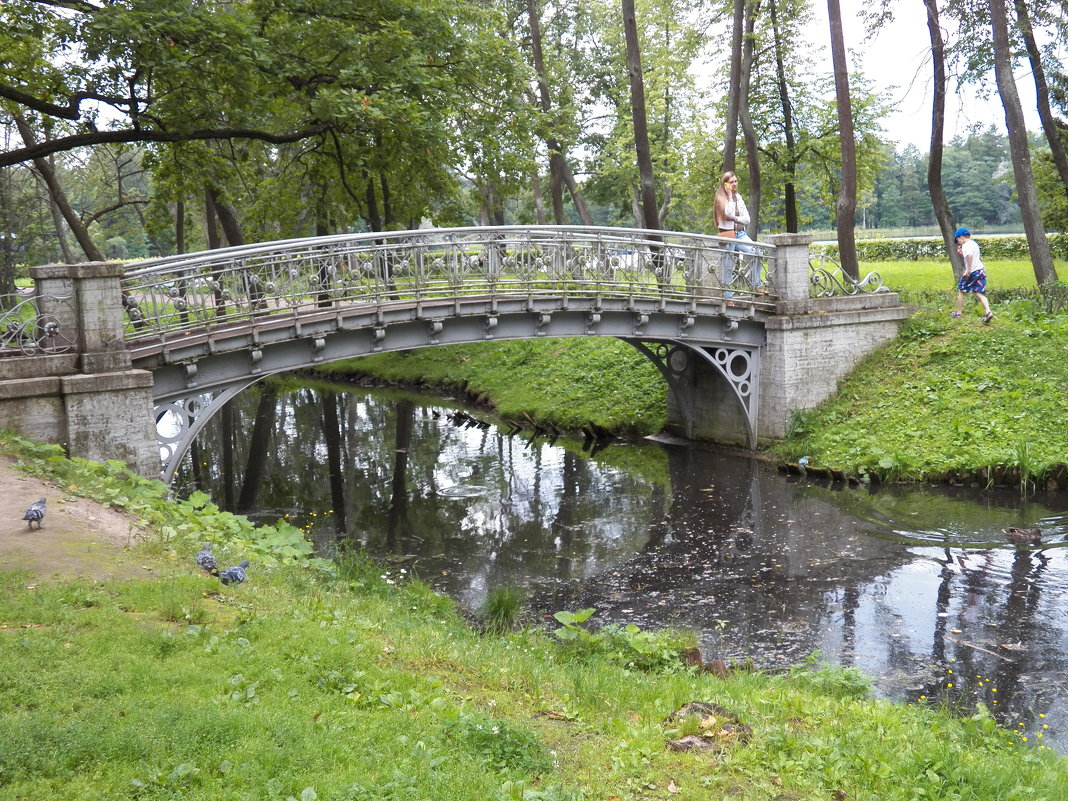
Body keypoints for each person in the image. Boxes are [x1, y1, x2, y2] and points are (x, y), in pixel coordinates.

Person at [713, 171, 762, 298]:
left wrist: (736, 219)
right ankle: (728, 297)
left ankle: (755, 286)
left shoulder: (738, 197)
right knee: (728, 267)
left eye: (735, 181)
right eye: (731, 182)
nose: (734, 184)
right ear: (725, 184)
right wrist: (729, 196)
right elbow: (727, 213)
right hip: (727, 235)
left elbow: (747, 219)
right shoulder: (720, 198)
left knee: (758, 252)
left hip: (740, 234)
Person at [951, 227, 993, 324]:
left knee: (961, 290)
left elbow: (969, 256)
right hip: (981, 271)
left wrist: (968, 270)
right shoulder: (974, 243)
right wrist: (962, 253)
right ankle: (988, 312)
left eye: (957, 240)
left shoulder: (965, 245)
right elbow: (971, 256)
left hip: (972, 272)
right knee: (979, 293)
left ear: (961, 237)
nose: (958, 243)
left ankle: (958, 313)